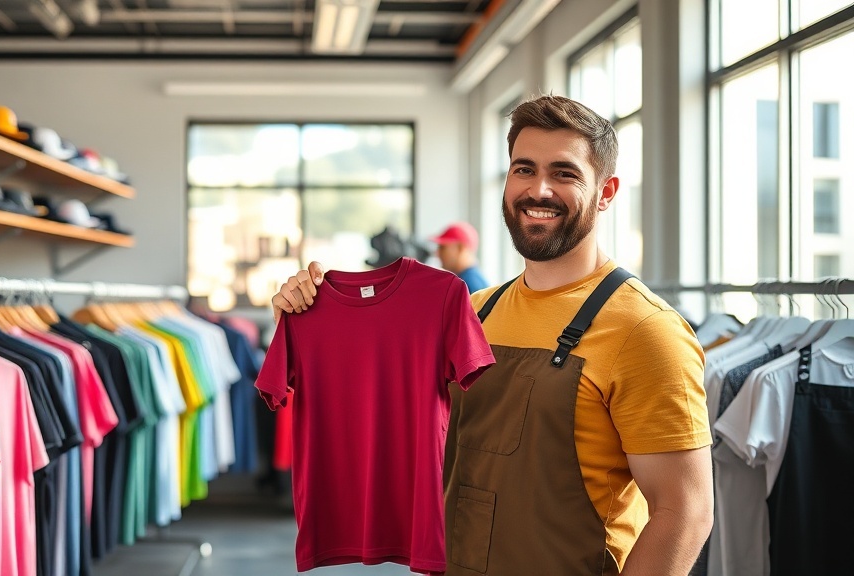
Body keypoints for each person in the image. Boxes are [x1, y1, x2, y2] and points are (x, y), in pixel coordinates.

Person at [269, 94, 713, 575]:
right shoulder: (470, 313)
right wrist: (303, 318)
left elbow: (684, 512)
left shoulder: (645, 332)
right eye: (524, 169)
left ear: (606, 192)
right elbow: (371, 400)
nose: (538, 189)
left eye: (564, 173)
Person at [430, 221, 489, 293]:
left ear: (460, 248)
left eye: (443, 248)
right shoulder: (470, 280)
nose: (437, 253)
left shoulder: (469, 284)